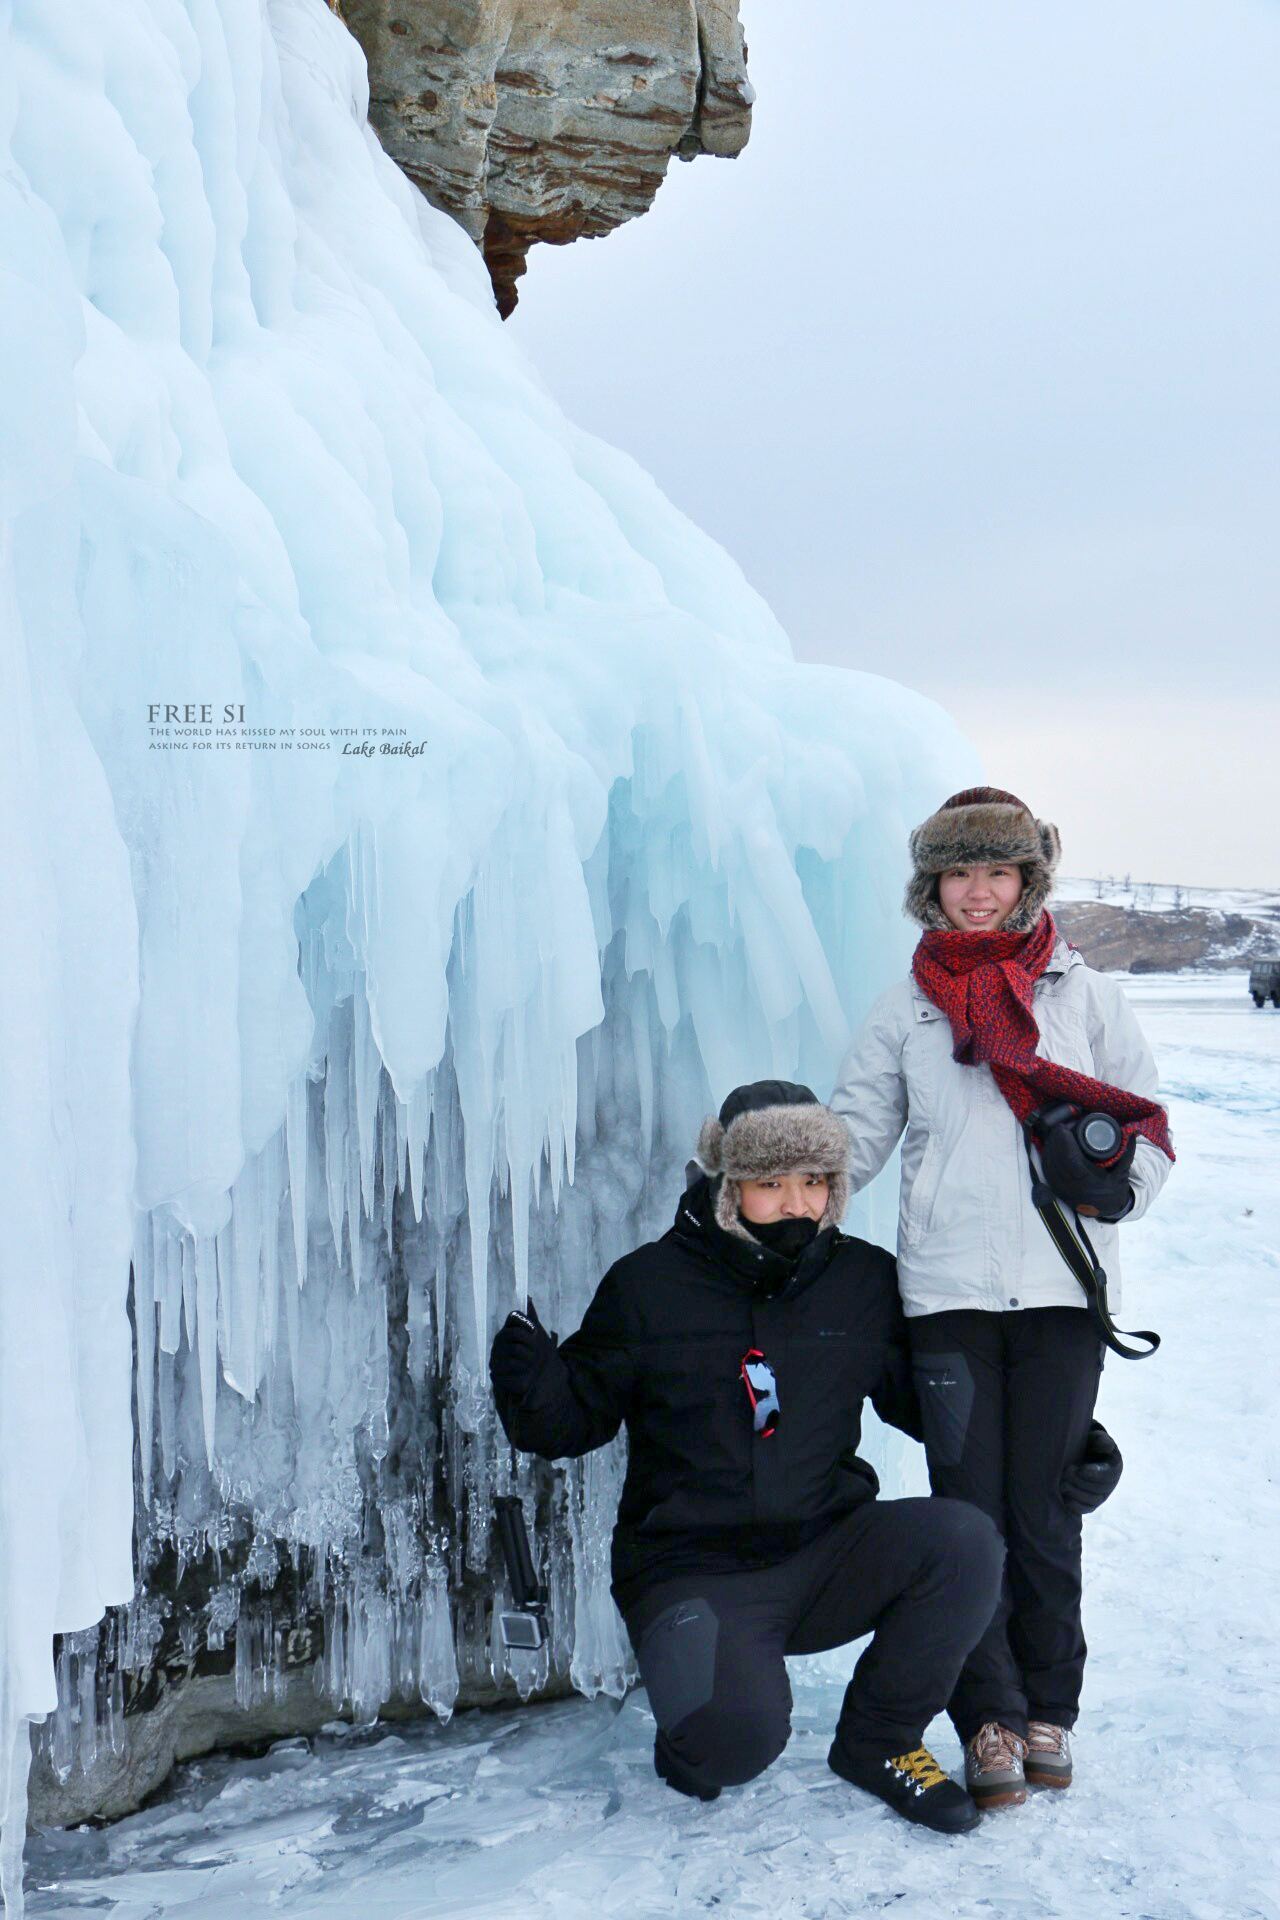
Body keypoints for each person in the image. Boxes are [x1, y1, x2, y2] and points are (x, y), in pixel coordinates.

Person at [489, 1081, 1005, 1834]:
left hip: (827, 1550)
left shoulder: (862, 1281)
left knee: (964, 1544)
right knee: (733, 1744)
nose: (799, 1202)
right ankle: (700, 1721)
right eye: (772, 1182)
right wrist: (531, 1381)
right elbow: (573, 1420)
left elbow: (923, 1403)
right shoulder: (648, 1287)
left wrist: (1054, 1443)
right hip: (693, 1569)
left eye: (815, 1181)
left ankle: (880, 1740)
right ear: (728, 1185)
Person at [830, 786, 1173, 1808]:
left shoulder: (1084, 997)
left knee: (1043, 1514)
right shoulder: (905, 1009)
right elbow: (852, 1136)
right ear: (929, 886)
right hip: (946, 1300)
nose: (977, 893)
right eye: (958, 872)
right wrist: (778, 1181)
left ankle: (1047, 1712)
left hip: (1063, 1297)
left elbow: (1147, 1126)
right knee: (967, 1519)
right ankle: (984, 1718)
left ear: (1028, 881)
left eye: (997, 872)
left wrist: (1118, 1193)